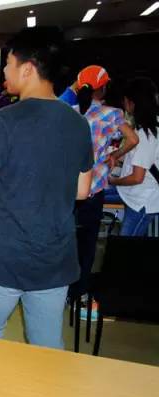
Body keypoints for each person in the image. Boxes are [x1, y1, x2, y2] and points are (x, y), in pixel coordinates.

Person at [0, 27, 94, 368]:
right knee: (46, 346)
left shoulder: (0, 122)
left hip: (2, 256)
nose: (4, 72)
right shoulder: (78, 124)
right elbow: (83, 190)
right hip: (54, 259)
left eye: (7, 64)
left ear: (27, 68)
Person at [70, 65, 138, 300]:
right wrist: (114, 156)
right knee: (87, 245)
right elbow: (132, 139)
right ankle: (79, 293)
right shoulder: (112, 114)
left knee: (67, 243)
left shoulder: (70, 112)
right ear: (103, 88)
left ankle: (63, 292)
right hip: (93, 190)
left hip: (67, 191)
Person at [109, 77, 159, 236]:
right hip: (133, 194)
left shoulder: (147, 134)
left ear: (132, 103)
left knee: (127, 243)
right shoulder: (149, 126)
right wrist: (117, 157)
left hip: (142, 201)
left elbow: (137, 178)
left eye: (125, 100)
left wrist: (114, 181)